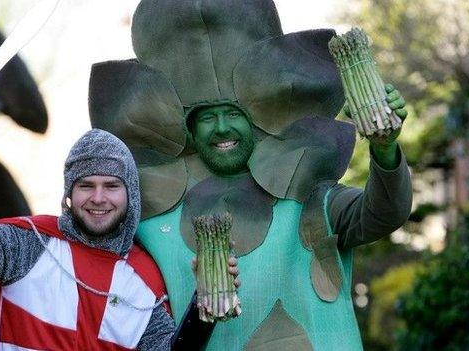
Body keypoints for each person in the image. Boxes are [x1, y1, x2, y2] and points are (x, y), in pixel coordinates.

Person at [85, 0, 413, 349]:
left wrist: (385, 148)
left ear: (256, 122)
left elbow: (383, 212)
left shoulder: (312, 200)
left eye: (232, 114)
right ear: (189, 134)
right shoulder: (148, 225)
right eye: (207, 118)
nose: (222, 127)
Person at [0, 122, 177, 350]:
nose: (98, 197)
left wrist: (208, 305)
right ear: (69, 191)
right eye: (86, 185)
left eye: (111, 185)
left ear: (130, 193)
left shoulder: (145, 283)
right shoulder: (28, 245)